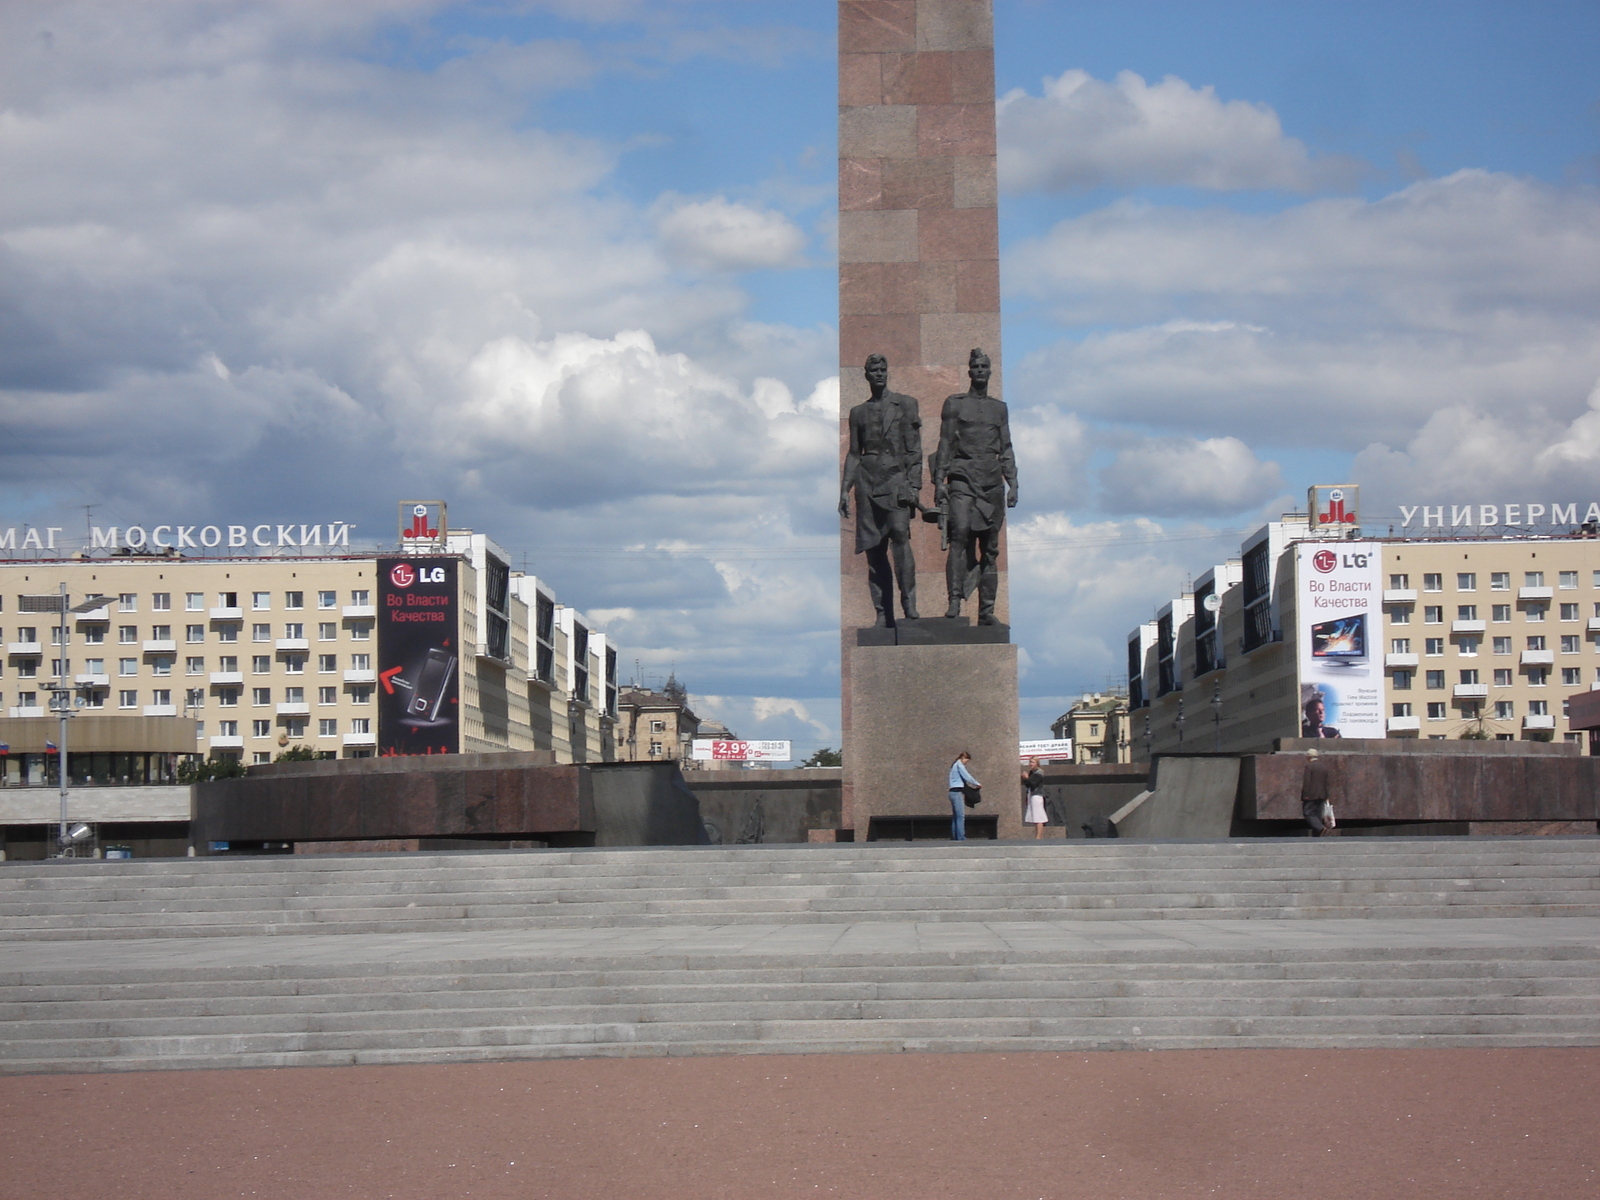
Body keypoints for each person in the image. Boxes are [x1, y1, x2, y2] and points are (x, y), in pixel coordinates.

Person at [928, 348, 1017, 625]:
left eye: (984, 366)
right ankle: (954, 599)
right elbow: (945, 443)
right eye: (975, 366)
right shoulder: (955, 404)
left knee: (990, 549)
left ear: (990, 371)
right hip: (962, 477)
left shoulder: (999, 408)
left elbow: (1006, 447)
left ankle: (986, 612)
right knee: (959, 535)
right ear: (969, 372)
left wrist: (1012, 482)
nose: (980, 370)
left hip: (991, 481)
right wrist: (939, 481)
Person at [840, 354, 924, 626]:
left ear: (888, 372)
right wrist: (844, 489)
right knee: (874, 551)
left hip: (896, 481)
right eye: (873, 370)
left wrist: (913, 486)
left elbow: (914, 450)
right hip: (867, 484)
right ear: (866, 375)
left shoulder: (906, 404)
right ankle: (882, 612)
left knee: (901, 538)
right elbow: (854, 454)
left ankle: (909, 602)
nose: (878, 374)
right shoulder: (858, 413)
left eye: (882, 369)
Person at [1301, 747, 1337, 836]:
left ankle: (1320, 828)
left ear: (1309, 757)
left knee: (1308, 813)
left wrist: (1305, 795)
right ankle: (1317, 834)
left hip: (1311, 795)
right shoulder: (1323, 767)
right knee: (1317, 814)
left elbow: (1307, 782)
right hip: (1322, 795)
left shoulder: (1309, 766)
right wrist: (1327, 796)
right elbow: (1326, 783)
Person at [948, 751, 980, 841]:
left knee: (955, 816)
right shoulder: (959, 765)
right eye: (967, 761)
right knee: (960, 816)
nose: (966, 763)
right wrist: (976, 783)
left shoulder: (954, 765)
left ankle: (955, 836)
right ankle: (961, 837)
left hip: (952, 792)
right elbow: (967, 776)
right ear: (964, 758)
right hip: (957, 792)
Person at [1021, 756, 1047, 839]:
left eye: (1033, 762)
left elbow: (1034, 783)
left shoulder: (1039, 772)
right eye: (1030, 762)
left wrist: (1027, 778)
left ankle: (1038, 836)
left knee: (1039, 816)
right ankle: (1038, 835)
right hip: (1031, 794)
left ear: (1037, 763)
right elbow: (1028, 784)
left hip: (1037, 795)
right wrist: (1025, 779)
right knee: (1035, 816)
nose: (1031, 764)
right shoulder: (1032, 772)